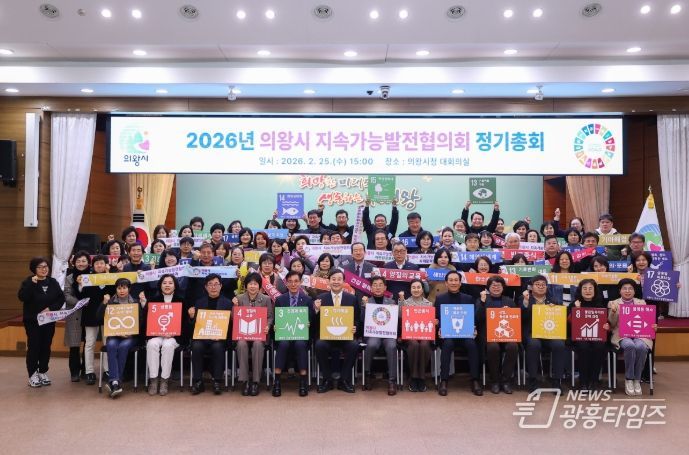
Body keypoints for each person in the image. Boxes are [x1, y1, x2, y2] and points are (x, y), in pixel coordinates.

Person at [18, 258, 65, 388]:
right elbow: (22, 297)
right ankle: (32, 374)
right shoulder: (28, 281)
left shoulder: (53, 282)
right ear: (34, 269)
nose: (43, 269)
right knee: (34, 346)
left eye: (45, 266)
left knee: (46, 346)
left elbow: (61, 299)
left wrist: (50, 308)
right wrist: (31, 284)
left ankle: (43, 371)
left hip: (49, 320)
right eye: (40, 267)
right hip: (33, 321)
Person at [435, 271, 482, 396]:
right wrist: (438, 326)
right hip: (447, 335)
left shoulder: (468, 298)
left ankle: (475, 380)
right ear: (446, 283)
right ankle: (444, 380)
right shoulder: (440, 299)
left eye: (456, 280)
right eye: (451, 280)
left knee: (472, 344)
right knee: (447, 344)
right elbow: (437, 318)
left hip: (465, 334)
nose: (453, 283)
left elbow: (473, 318)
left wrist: (474, 328)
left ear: (460, 283)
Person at [98, 278, 146, 398]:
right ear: (116, 289)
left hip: (131, 336)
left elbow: (141, 321)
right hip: (114, 335)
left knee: (123, 346)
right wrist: (104, 303)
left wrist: (131, 333)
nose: (122, 290)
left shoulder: (135, 302)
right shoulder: (110, 302)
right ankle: (116, 381)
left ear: (129, 289)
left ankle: (115, 381)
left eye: (124, 288)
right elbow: (98, 318)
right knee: (111, 345)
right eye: (119, 288)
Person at [314, 270, 360, 393]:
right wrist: (316, 310)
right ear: (329, 281)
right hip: (327, 336)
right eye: (333, 279)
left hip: (345, 336)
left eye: (339, 279)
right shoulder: (320, 298)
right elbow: (315, 322)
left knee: (354, 345)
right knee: (319, 345)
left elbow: (357, 319)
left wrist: (355, 327)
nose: (336, 282)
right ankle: (327, 380)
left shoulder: (352, 299)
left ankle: (344, 380)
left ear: (344, 282)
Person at [520, 275, 567, 392]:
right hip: (532, 333)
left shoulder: (553, 300)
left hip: (550, 333)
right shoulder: (525, 298)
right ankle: (533, 379)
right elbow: (521, 318)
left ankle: (557, 380)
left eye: (543, 285)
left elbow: (561, 318)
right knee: (533, 344)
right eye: (537, 284)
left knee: (559, 345)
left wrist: (555, 310)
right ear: (531, 287)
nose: (541, 287)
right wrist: (526, 302)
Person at [608, 279, 655, 396]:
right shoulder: (613, 303)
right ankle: (629, 379)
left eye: (630, 289)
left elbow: (647, 320)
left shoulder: (641, 302)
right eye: (624, 288)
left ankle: (637, 380)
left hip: (640, 335)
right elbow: (612, 324)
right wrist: (613, 312)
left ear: (634, 291)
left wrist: (653, 326)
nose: (627, 291)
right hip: (621, 335)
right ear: (620, 291)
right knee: (629, 345)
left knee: (641, 347)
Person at [188, 273, 232, 395]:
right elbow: (192, 327)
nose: (213, 287)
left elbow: (230, 325)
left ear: (221, 286)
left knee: (217, 347)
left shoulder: (227, 303)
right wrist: (191, 317)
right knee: (196, 346)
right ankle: (198, 381)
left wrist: (221, 335)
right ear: (206, 287)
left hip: (219, 338)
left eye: (216, 284)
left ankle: (217, 381)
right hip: (202, 338)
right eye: (210, 284)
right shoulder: (199, 302)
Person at [272, 271, 313, 397]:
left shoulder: (307, 300)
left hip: (301, 335)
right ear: (286, 283)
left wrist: (309, 323)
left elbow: (312, 319)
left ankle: (303, 380)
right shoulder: (280, 299)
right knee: (283, 344)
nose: (293, 284)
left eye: (296, 281)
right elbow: (276, 319)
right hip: (284, 335)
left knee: (300, 344)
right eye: (290, 281)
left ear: (300, 283)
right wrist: (275, 326)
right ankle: (277, 381)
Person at [233, 272, 273, 396]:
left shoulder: (266, 299)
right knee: (241, 344)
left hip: (259, 334)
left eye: (255, 284)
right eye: (250, 284)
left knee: (257, 344)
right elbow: (233, 318)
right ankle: (244, 381)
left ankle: (256, 381)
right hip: (243, 334)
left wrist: (268, 326)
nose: (252, 286)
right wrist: (234, 307)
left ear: (259, 286)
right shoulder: (239, 298)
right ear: (246, 286)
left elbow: (270, 317)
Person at [477, 276, 518, 394]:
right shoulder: (482, 299)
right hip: (489, 335)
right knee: (493, 347)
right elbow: (478, 318)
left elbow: (516, 319)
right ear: (488, 287)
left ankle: (506, 380)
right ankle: (494, 380)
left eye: (498, 285)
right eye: (493, 285)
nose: (496, 288)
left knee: (513, 346)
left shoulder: (509, 301)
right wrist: (482, 303)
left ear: (503, 287)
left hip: (507, 334)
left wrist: (509, 312)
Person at [145, 274, 184, 396]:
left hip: (173, 336)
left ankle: (164, 380)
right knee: (151, 344)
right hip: (156, 334)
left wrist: (173, 333)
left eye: (170, 283)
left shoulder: (182, 300)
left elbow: (185, 324)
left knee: (167, 346)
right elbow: (146, 321)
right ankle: (153, 380)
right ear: (160, 285)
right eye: (164, 283)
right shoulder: (153, 300)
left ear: (175, 285)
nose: (167, 285)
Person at [361, 276, 398, 396]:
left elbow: (396, 321)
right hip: (373, 333)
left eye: (380, 285)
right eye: (375, 285)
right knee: (371, 344)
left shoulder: (391, 302)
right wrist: (364, 307)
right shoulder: (367, 301)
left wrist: (395, 311)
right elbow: (361, 321)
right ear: (371, 288)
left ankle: (392, 381)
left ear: (385, 287)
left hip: (388, 334)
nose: (378, 287)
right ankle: (367, 374)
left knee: (392, 346)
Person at [79, 255, 113, 385]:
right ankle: (89, 372)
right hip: (90, 315)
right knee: (89, 344)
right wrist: (81, 284)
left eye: (102, 263)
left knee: (107, 343)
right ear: (93, 266)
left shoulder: (111, 278)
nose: (99, 265)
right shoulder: (87, 278)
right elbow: (82, 295)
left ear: (106, 265)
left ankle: (107, 370)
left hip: (108, 316)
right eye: (97, 263)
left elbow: (115, 292)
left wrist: (109, 275)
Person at [571, 279, 609, 390]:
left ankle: (594, 380)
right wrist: (577, 310)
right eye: (584, 288)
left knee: (599, 347)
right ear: (580, 290)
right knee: (583, 347)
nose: (587, 291)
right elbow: (569, 323)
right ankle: (583, 381)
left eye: (590, 288)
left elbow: (607, 323)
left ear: (595, 291)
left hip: (597, 336)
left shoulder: (601, 305)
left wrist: (607, 326)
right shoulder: (575, 304)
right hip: (580, 337)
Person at [401, 279, 433, 392]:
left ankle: (422, 377)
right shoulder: (405, 302)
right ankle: (414, 377)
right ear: (410, 289)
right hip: (410, 334)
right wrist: (401, 301)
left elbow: (431, 321)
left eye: (418, 287)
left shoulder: (429, 304)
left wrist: (435, 321)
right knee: (414, 345)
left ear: (422, 289)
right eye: (413, 287)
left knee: (424, 345)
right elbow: (399, 317)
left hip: (424, 334)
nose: (416, 290)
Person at [63, 251, 90, 382]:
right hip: (74, 313)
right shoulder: (69, 278)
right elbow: (66, 295)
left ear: (88, 262)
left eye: (84, 261)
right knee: (74, 345)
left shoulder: (93, 276)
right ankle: (74, 372)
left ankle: (86, 370)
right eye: (78, 261)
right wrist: (80, 302)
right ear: (74, 263)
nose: (81, 263)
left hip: (89, 313)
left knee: (88, 343)